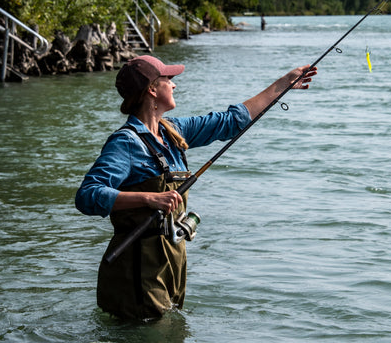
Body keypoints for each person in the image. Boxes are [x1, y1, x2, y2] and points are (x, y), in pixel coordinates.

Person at [75, 54, 317, 322]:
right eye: (168, 79)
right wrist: (148, 198)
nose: (175, 84)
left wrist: (282, 84)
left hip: (170, 262)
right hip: (137, 269)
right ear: (152, 90)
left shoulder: (172, 131)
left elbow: (230, 121)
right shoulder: (125, 143)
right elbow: (88, 195)